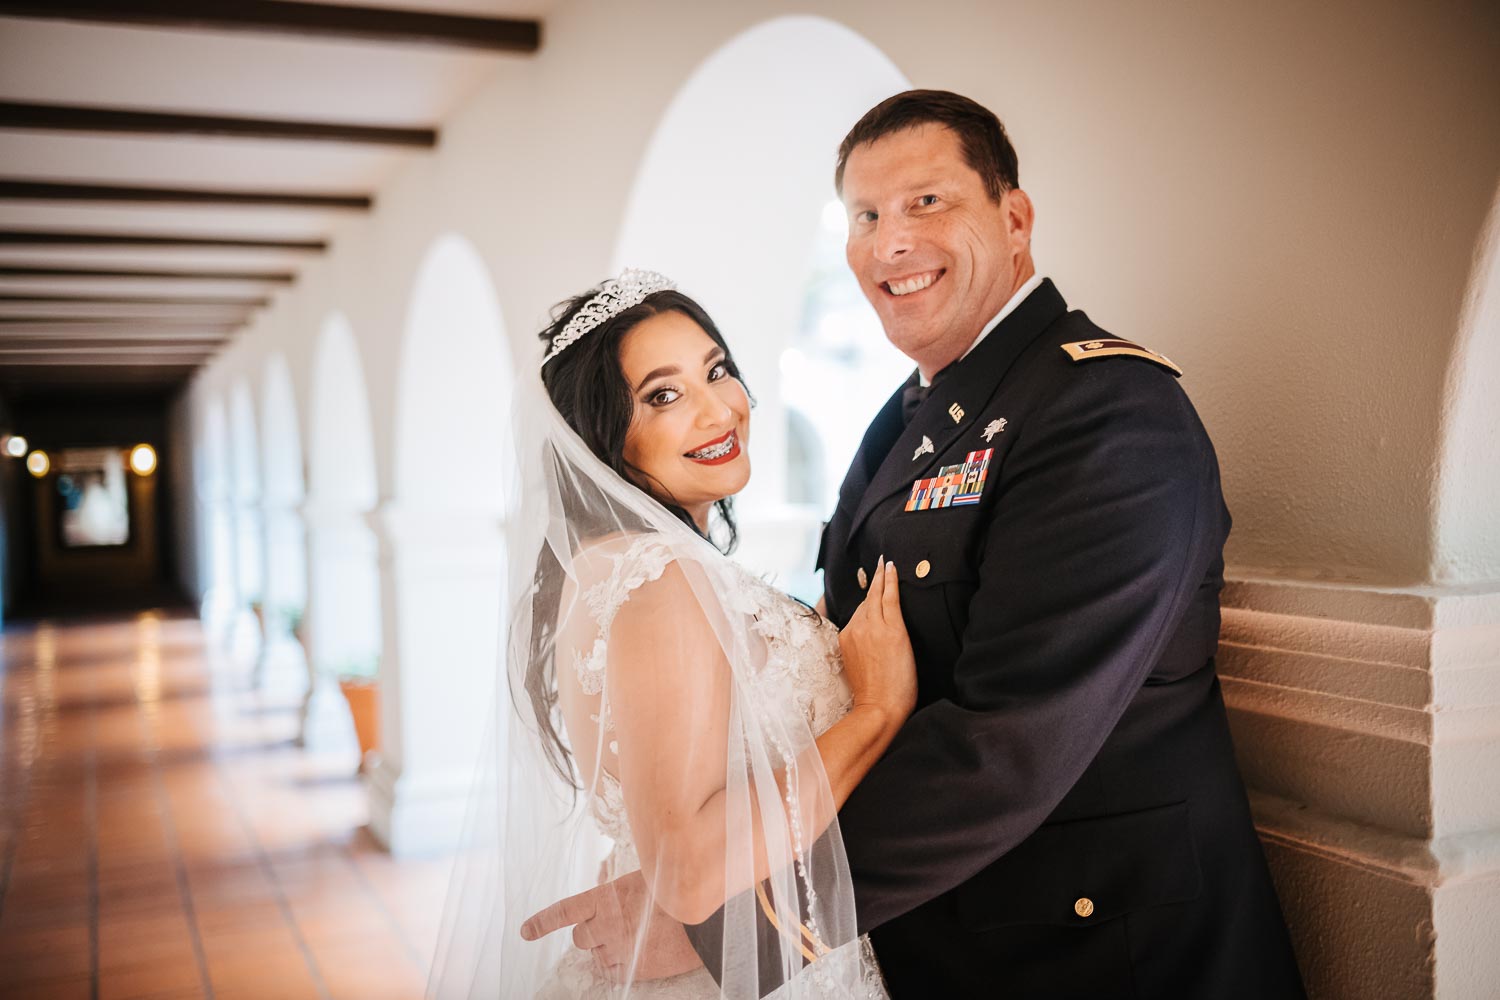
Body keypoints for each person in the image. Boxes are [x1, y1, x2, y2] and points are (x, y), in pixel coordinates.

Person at [519, 91, 1307, 998]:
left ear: (1014, 218)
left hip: (1103, 954)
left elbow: (1006, 746)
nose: (891, 241)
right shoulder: (906, 421)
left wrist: (728, 926)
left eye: (927, 202)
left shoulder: (1109, 414)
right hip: (946, 937)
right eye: (865, 215)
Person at [427, 270, 911, 998]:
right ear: (606, 438)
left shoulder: (611, 566)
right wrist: (875, 712)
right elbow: (685, 874)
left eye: (717, 371)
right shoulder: (661, 577)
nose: (718, 409)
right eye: (663, 395)